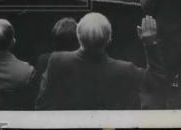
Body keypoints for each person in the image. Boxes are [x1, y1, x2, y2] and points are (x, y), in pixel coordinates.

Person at [35, 13, 165, 110]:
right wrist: (150, 43)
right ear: (109, 39)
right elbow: (156, 80)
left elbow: (42, 106)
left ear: (78, 35)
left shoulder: (56, 61)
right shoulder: (126, 70)